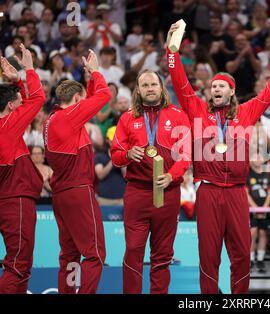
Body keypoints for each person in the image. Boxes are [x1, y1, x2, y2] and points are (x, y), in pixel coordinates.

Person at [166, 23, 270, 294]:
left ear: (231, 91)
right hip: (207, 190)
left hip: (237, 193)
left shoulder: (246, 112)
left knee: (241, 253)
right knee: (209, 255)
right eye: (212, 86)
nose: (215, 89)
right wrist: (172, 51)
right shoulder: (196, 110)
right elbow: (179, 82)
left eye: (221, 86)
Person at [110, 70, 191, 294]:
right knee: (133, 251)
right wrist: (127, 154)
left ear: (161, 87)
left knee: (163, 255)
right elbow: (115, 154)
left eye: (153, 84)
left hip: (168, 192)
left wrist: (172, 176)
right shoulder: (127, 117)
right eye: (145, 85)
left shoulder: (178, 115)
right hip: (138, 193)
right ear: (138, 89)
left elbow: (185, 154)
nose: (150, 88)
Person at [43, 49, 112, 294]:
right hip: (79, 192)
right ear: (75, 102)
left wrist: (89, 79)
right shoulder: (69, 118)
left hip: (62, 195)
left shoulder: (54, 118)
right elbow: (104, 96)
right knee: (95, 254)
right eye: (82, 101)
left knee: (70, 254)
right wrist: (97, 73)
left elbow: (90, 102)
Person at [0, 45, 45, 293]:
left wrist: (17, 82)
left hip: (7, 198)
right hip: (15, 200)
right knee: (18, 265)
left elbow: (28, 100)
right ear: (9, 107)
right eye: (18, 102)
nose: (22, 103)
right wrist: (27, 69)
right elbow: (37, 98)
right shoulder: (8, 125)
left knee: (19, 266)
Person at [246, 154, 270, 274]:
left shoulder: (267, 173)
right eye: (254, 157)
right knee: (253, 232)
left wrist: (265, 207)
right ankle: (251, 260)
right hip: (252, 209)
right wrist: (256, 208)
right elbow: (246, 193)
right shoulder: (248, 174)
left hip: (266, 209)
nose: (257, 159)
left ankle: (260, 260)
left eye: (259, 156)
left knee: (263, 233)